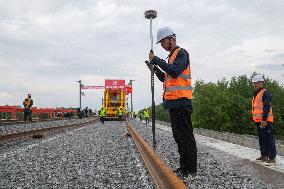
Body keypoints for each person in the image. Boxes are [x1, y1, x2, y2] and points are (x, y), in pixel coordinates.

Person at [147, 26, 197, 179]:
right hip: (173, 104)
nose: (161, 45)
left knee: (186, 137)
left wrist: (156, 59)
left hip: (182, 102)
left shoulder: (182, 54)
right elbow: (167, 78)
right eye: (161, 42)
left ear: (171, 39)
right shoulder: (171, 57)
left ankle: (191, 171)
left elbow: (175, 71)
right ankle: (183, 168)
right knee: (178, 137)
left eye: (162, 41)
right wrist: (155, 69)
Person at [251, 74, 276, 166]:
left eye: (257, 83)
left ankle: (272, 158)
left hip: (265, 121)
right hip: (258, 121)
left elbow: (266, 107)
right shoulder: (256, 93)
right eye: (254, 83)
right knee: (262, 139)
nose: (255, 84)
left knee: (269, 139)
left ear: (261, 83)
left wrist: (264, 119)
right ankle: (264, 155)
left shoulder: (265, 93)